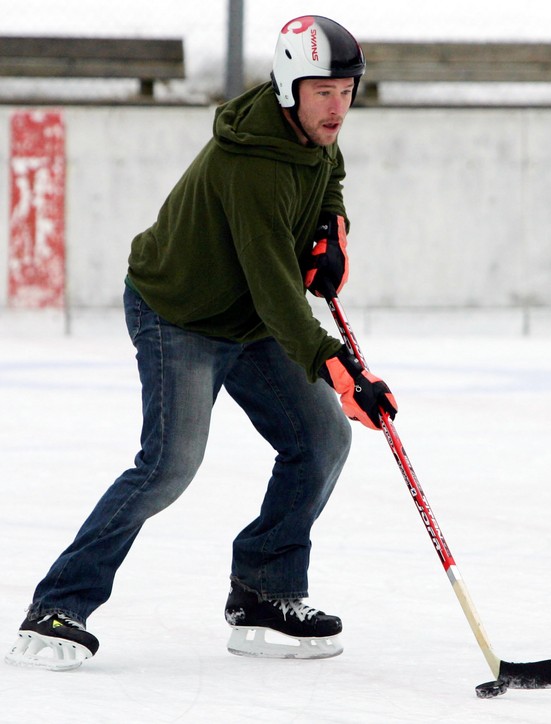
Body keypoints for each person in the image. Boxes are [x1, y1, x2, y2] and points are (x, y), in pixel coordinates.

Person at [5, 15, 397, 670]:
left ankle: (264, 592)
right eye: (323, 91)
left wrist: (332, 228)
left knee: (322, 439)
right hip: (179, 313)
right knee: (168, 465)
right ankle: (58, 605)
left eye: (346, 91)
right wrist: (339, 369)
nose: (337, 108)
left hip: (245, 318)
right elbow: (278, 295)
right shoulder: (251, 166)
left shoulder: (310, 134)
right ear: (288, 87)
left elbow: (328, 174)